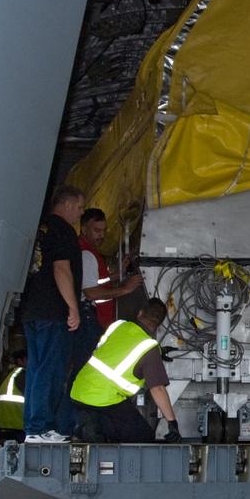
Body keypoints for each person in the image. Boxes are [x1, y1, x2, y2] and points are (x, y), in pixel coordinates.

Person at [21, 184, 85, 443]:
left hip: (32, 310)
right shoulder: (62, 230)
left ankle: (33, 427)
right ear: (67, 205)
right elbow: (61, 269)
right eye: (80, 207)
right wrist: (72, 307)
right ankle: (41, 427)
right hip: (53, 311)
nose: (80, 213)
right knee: (50, 369)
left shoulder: (39, 229)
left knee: (36, 369)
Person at [69, 298, 182, 443]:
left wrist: (158, 352)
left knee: (116, 418)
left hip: (79, 389)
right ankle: (94, 429)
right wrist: (172, 423)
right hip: (103, 399)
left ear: (140, 313)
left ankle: (91, 426)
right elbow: (158, 389)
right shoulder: (149, 348)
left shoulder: (119, 326)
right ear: (159, 324)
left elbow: (121, 348)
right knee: (143, 436)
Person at [74, 207, 143, 376]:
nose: (101, 235)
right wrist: (125, 289)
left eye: (103, 231)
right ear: (84, 229)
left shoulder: (84, 251)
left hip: (90, 317)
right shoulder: (87, 255)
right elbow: (91, 292)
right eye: (97, 231)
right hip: (88, 317)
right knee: (84, 368)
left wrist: (115, 276)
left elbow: (92, 282)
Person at [0, 348, 28, 441]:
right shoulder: (22, 375)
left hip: (4, 423)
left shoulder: (10, 374)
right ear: (20, 361)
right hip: (17, 424)